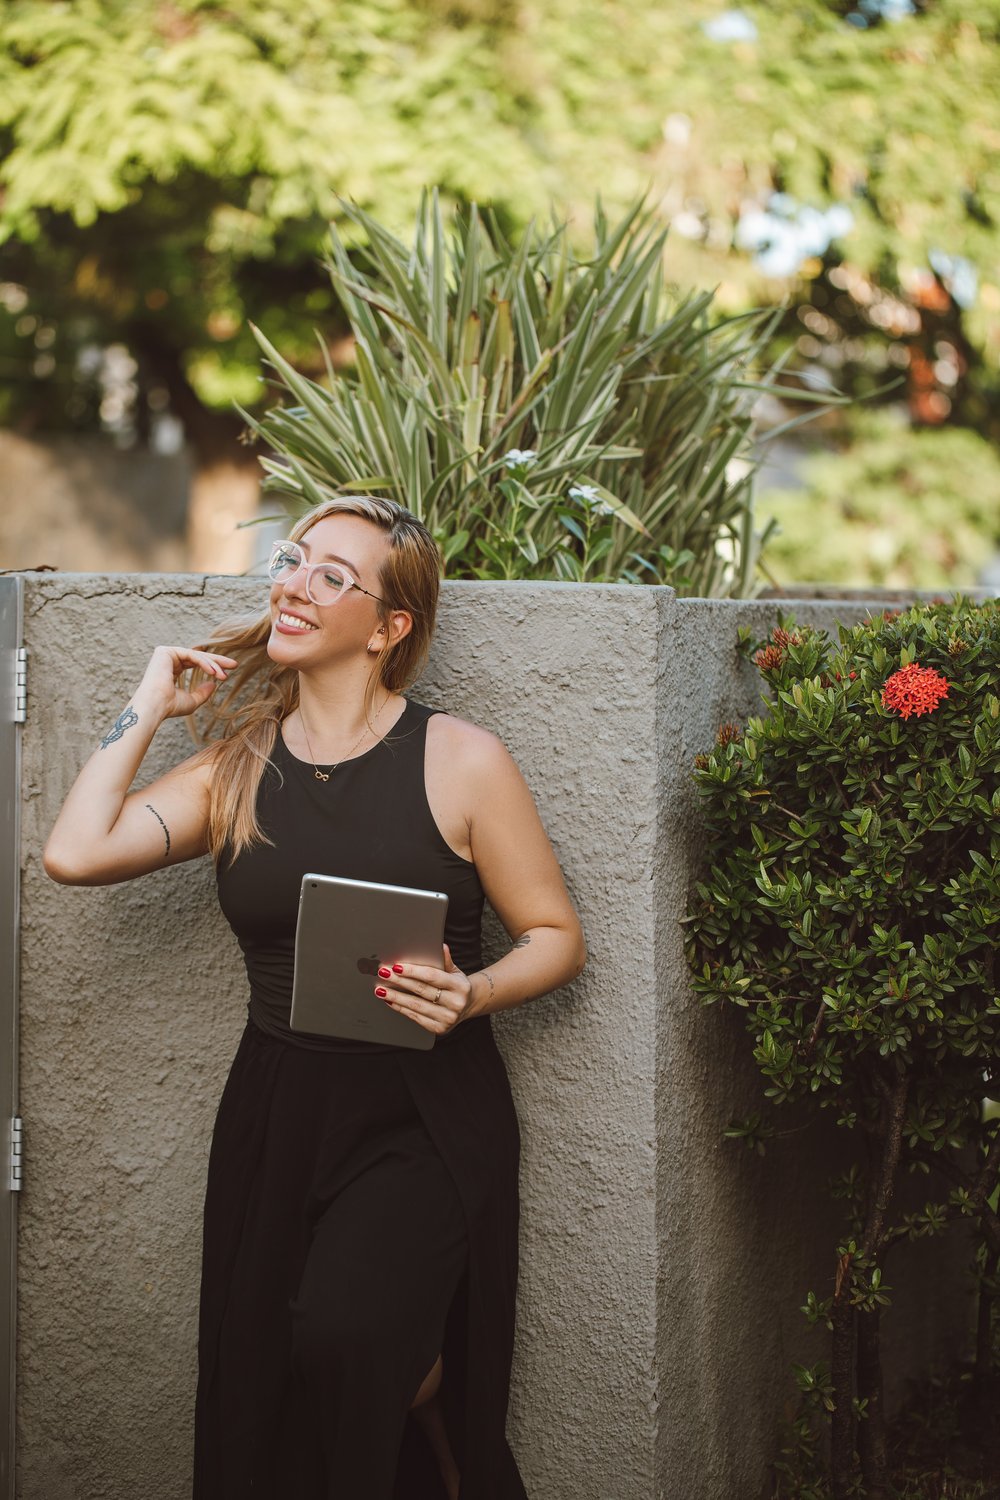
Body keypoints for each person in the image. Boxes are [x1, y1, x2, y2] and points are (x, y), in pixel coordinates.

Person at [43, 494, 588, 1500]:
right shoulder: (238, 767)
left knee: (346, 1336)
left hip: (424, 1111)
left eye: (332, 573)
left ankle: (437, 1432)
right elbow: (74, 855)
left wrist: (470, 993)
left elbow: (556, 937)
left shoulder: (462, 760)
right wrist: (148, 704)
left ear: (388, 628)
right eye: (294, 560)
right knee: (268, 1374)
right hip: (277, 1108)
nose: (295, 582)